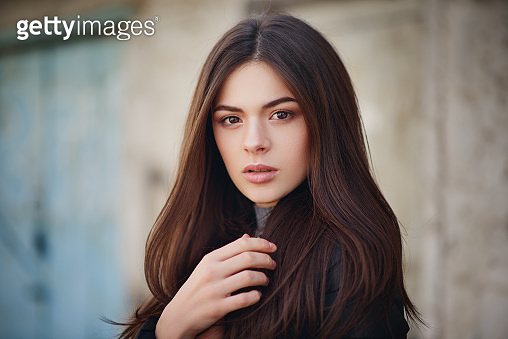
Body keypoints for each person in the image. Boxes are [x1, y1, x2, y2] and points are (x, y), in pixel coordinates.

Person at [119, 13, 422, 338]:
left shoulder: (350, 259)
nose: (254, 143)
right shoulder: (201, 237)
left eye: (281, 114)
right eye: (231, 120)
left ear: (325, 120)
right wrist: (168, 328)